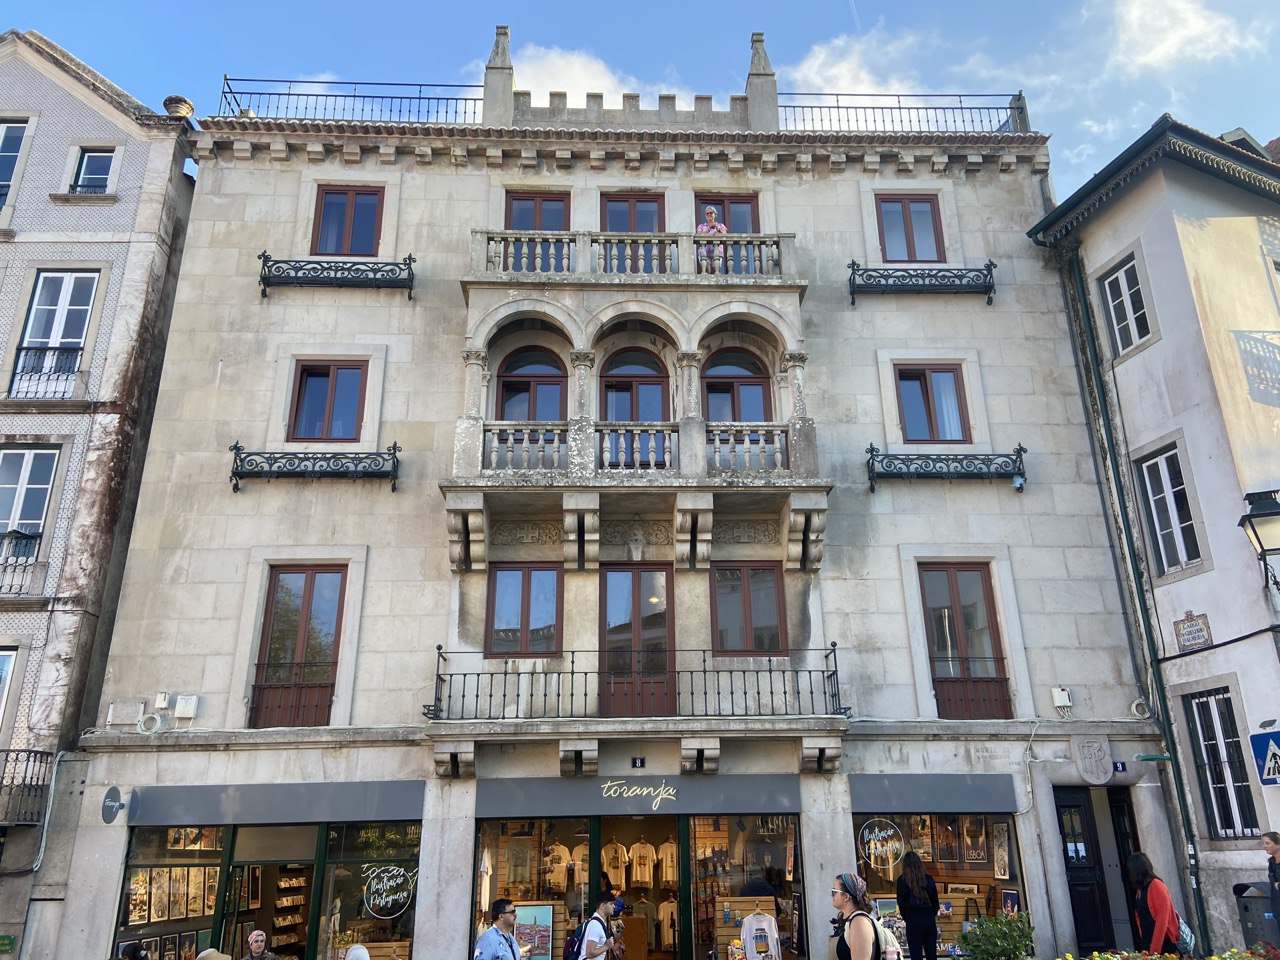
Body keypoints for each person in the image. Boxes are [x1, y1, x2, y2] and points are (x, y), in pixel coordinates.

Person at [1128, 852, 1180, 955]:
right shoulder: (1140, 890)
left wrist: (1154, 951)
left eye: (1130, 871)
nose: (1129, 874)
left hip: (1163, 945)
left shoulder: (1156, 885)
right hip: (1148, 943)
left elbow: (1162, 920)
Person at [895, 851, 939, 960]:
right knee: (932, 955)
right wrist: (930, 915)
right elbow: (935, 903)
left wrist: (908, 918)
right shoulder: (928, 879)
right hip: (928, 919)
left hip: (913, 919)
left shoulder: (902, 880)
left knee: (916, 955)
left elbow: (901, 903)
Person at [832, 871, 878, 960]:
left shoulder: (859, 922)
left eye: (834, 892)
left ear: (846, 896)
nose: (832, 895)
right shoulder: (845, 920)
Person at [579, 889, 620, 959]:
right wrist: (607, 946)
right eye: (611, 903)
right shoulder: (595, 925)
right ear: (602, 906)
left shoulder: (600, 922)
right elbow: (589, 953)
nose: (614, 906)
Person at [696, 205, 728, 273]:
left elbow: (725, 235)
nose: (709, 215)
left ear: (715, 214)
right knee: (708, 270)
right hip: (704, 252)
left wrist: (717, 228)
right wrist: (708, 228)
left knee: (714, 272)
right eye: (707, 213)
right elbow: (698, 236)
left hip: (717, 253)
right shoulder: (701, 226)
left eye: (711, 213)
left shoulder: (721, 225)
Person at [1265, 831, 1280, 945]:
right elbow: (1272, 881)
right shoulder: (1271, 862)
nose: (1264, 846)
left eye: (1267, 843)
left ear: (1278, 844)